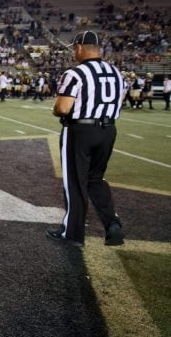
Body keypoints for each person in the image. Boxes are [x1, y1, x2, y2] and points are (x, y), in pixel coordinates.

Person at [47, 31, 125, 247]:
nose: (74, 52)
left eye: (74, 48)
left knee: (75, 182)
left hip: (80, 131)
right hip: (108, 129)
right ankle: (113, 226)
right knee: (95, 179)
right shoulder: (115, 72)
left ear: (80, 47)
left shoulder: (76, 74)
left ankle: (72, 233)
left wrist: (55, 109)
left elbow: (63, 108)